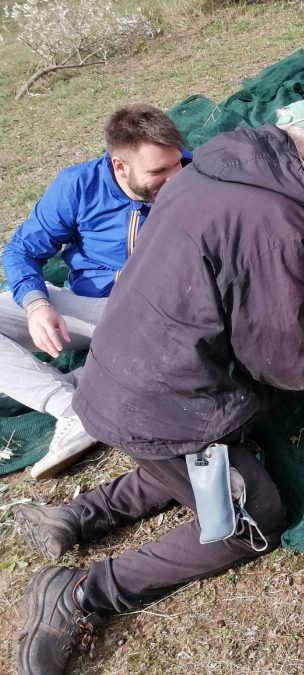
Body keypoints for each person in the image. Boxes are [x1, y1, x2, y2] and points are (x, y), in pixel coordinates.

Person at [14, 99, 304, 675]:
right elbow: (290, 362)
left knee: (190, 460)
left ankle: (79, 515)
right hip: (161, 399)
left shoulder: (211, 167)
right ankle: (83, 593)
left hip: (120, 371)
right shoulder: (275, 221)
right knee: (254, 518)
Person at [0, 104, 189, 480]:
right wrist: (37, 304)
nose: (175, 179)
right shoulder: (78, 186)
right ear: (119, 166)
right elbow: (21, 250)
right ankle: (71, 406)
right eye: (158, 172)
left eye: (177, 164)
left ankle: (93, 390)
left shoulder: (197, 175)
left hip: (163, 317)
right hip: (95, 310)